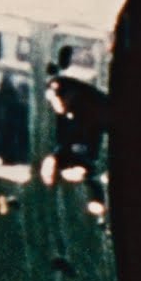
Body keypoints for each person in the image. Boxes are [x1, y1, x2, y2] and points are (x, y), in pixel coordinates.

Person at [40, 76, 108, 215]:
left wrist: (84, 170)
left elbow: (96, 154)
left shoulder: (93, 113)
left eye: (57, 99)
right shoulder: (73, 115)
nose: (55, 106)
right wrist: (56, 158)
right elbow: (71, 143)